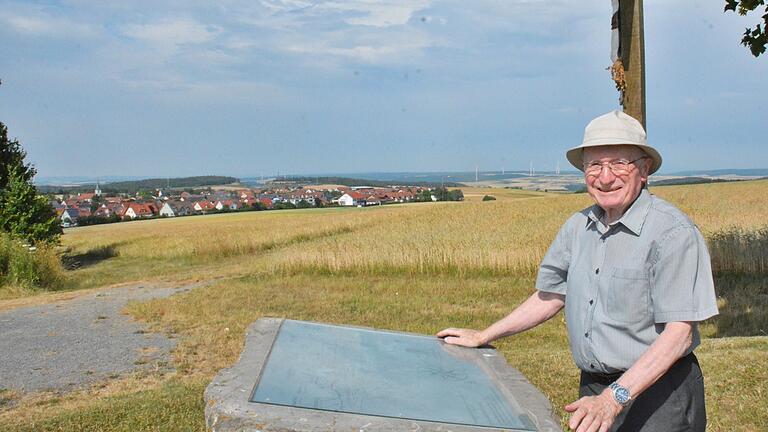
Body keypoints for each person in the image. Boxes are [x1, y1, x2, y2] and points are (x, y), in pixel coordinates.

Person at [437, 110, 719, 432]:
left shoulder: (673, 233)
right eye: (594, 165)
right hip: (594, 390)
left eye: (618, 163)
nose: (605, 176)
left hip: (659, 394)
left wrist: (614, 398)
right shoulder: (577, 227)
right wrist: (485, 335)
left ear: (644, 170)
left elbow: (679, 335)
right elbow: (552, 295)